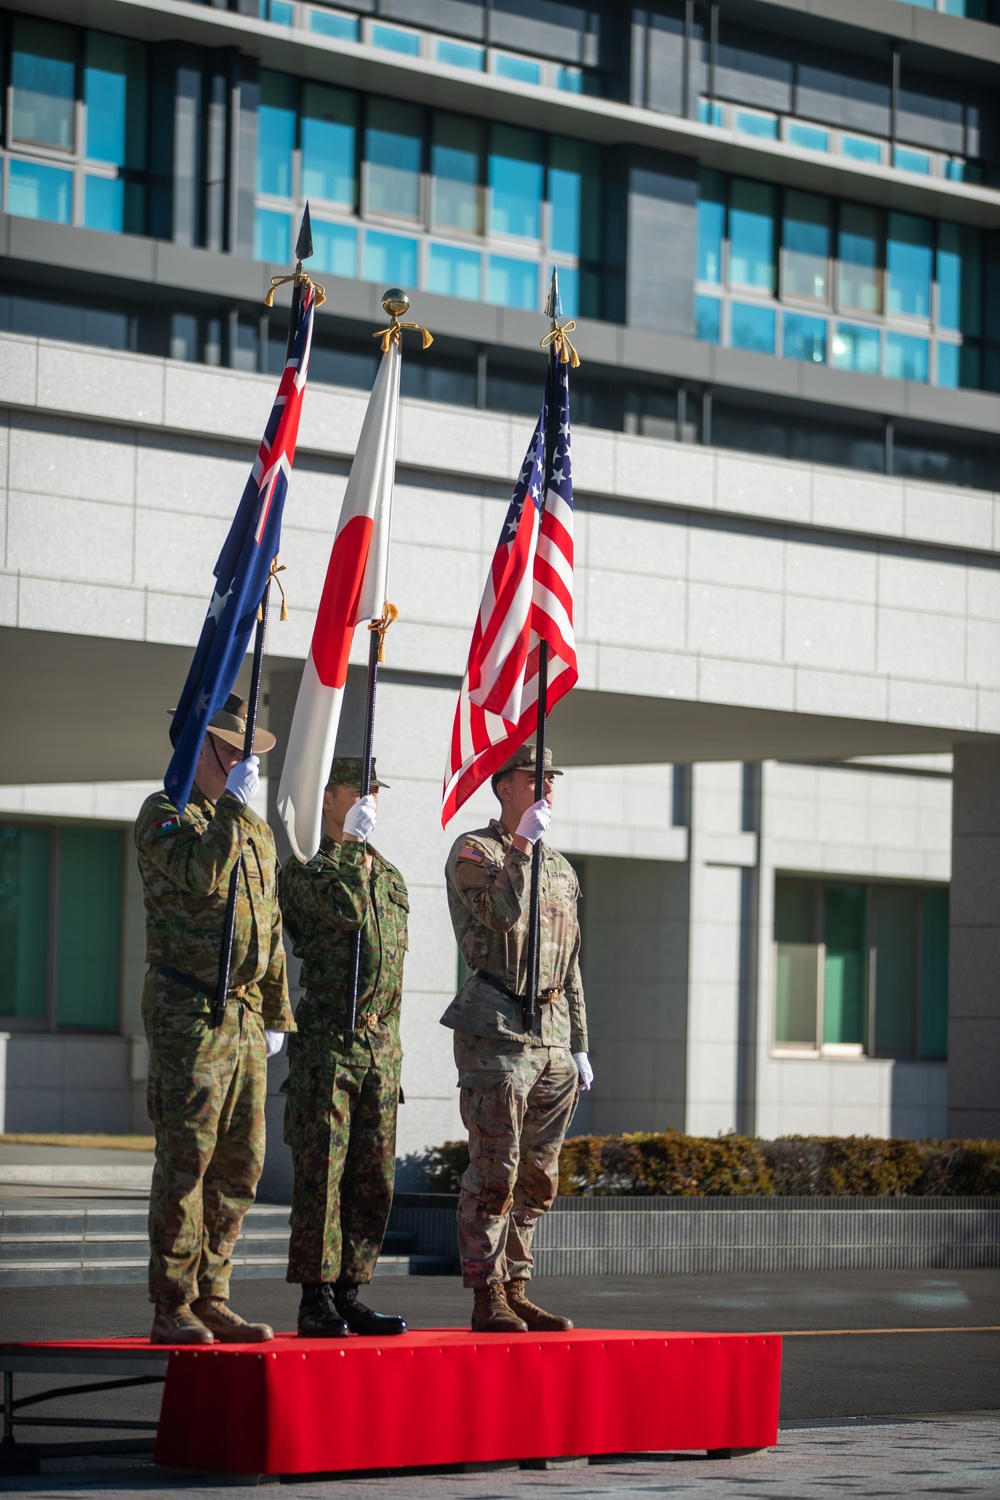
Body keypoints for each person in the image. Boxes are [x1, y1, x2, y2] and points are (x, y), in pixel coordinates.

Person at [135, 693, 294, 1346]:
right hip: (190, 1013)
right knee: (187, 1162)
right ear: (198, 743)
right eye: (231, 749)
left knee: (241, 1166)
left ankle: (212, 1293)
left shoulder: (253, 827)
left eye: (246, 755)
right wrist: (230, 808)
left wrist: (278, 1012)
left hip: (245, 1018)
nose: (240, 763)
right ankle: (172, 1302)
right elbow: (200, 878)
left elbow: (269, 923)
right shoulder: (164, 814)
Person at [442, 744, 592, 1334]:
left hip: (552, 1034)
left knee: (539, 1172)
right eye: (536, 779)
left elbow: (571, 959)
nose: (548, 789)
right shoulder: (476, 851)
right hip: (496, 1028)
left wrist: (580, 1039)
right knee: (495, 1167)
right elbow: (498, 915)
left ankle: (518, 1283)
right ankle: (487, 1293)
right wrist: (522, 846)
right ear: (505, 787)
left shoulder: (561, 867)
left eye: (552, 779)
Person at [278, 756, 408, 1338]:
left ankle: (351, 1290)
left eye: (374, 793)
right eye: (358, 791)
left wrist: (393, 1047)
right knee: (322, 1174)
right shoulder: (307, 868)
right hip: (329, 1041)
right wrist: (352, 843)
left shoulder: (390, 875)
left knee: (371, 1179)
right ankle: (316, 1298)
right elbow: (343, 912)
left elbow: (394, 969)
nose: (368, 802)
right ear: (327, 797)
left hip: (380, 1048)